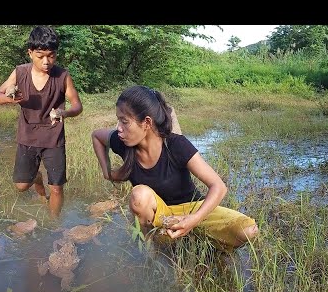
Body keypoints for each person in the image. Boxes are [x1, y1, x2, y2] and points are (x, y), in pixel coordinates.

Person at [91, 85, 258, 251]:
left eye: (124, 121)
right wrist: (107, 172)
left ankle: (205, 246)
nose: (118, 128)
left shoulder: (176, 145)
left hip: (192, 209)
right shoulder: (123, 143)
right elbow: (97, 136)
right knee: (139, 195)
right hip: (163, 216)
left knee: (248, 230)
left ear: (147, 123)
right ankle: (152, 246)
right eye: (118, 120)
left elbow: (219, 187)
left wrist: (194, 219)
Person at [0, 26, 83, 218]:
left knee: (57, 188)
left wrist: (63, 112)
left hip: (53, 138)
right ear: (30, 53)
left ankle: (53, 224)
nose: (46, 61)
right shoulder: (20, 72)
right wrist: (11, 98)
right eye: (40, 56)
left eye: (51, 56)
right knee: (21, 186)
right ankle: (36, 177)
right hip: (28, 136)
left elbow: (77, 106)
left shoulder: (62, 76)